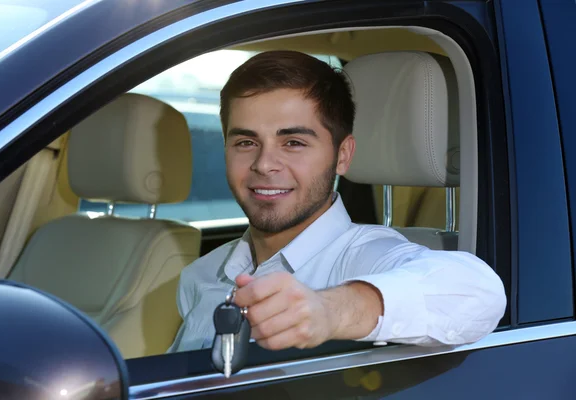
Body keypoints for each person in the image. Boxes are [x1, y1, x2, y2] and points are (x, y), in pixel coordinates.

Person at [168, 50, 506, 353]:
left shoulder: (365, 258)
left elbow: (478, 293)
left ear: (342, 156)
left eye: (294, 142)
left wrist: (330, 311)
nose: (264, 164)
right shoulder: (201, 275)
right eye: (245, 142)